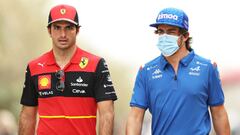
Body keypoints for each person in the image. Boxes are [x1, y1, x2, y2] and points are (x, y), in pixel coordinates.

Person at [126, 7, 230, 135]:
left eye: (170, 32)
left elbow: (218, 113)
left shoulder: (207, 68)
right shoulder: (146, 71)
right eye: (160, 31)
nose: (164, 37)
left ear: (185, 36)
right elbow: (135, 117)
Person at [18, 4, 117, 135]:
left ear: (77, 30)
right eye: (57, 28)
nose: (63, 34)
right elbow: (27, 116)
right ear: (49, 30)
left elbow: (107, 114)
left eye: (69, 28)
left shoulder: (97, 64)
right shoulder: (34, 67)